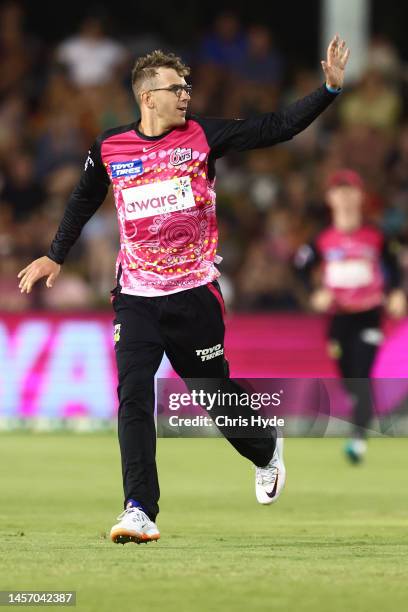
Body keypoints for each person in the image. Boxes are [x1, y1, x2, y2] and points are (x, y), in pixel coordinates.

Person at [18, 36, 350, 544]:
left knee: (214, 397)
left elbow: (275, 128)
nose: (186, 95)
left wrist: (327, 90)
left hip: (194, 294)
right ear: (147, 97)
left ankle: (265, 448)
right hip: (136, 296)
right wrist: (55, 254)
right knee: (133, 395)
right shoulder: (110, 147)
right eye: (177, 88)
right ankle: (138, 510)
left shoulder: (202, 136)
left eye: (188, 87)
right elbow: (84, 198)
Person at [295, 169, 406, 462]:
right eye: (338, 192)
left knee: (361, 374)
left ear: (360, 197)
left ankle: (358, 439)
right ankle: (361, 409)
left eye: (349, 192)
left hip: (369, 315)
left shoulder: (377, 236)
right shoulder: (321, 240)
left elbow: (394, 267)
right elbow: (301, 268)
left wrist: (396, 293)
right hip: (338, 319)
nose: (344, 198)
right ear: (330, 198)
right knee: (349, 377)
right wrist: (314, 293)